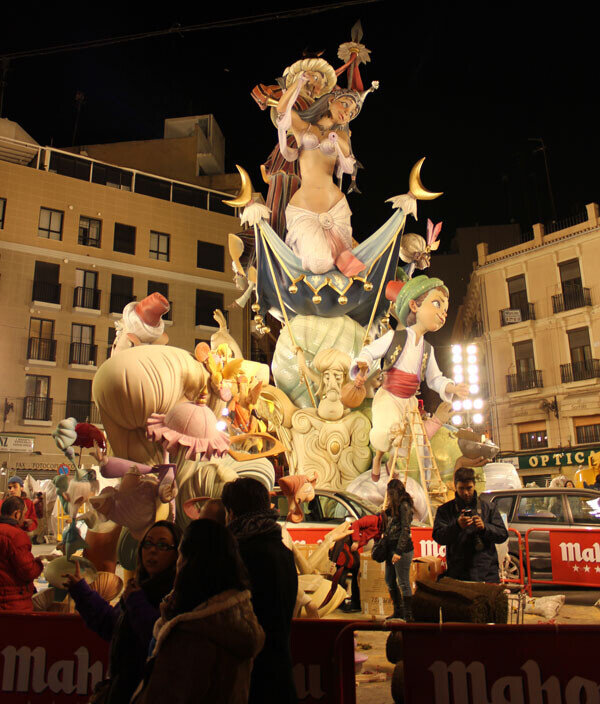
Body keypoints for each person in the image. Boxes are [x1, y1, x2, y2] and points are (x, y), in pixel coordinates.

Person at [132, 519, 264, 704]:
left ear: (189, 562)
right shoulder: (234, 618)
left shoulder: (193, 633)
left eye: (177, 554)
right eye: (148, 543)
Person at [352, 275, 469, 481]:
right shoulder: (395, 337)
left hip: (409, 401)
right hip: (390, 395)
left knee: (406, 442)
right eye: (436, 304)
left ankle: (390, 463)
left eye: (445, 310)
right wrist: (361, 366)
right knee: (387, 432)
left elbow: (435, 379)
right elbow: (370, 352)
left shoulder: (427, 349)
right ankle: (378, 459)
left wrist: (452, 388)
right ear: (414, 305)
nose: (442, 314)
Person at [63, 520, 182, 704]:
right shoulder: (135, 588)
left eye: (162, 545)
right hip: (122, 691)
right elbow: (112, 624)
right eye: (148, 543)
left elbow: (159, 639)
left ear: (177, 554)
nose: (152, 550)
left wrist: (136, 602)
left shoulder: (176, 597)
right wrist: (82, 591)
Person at [276, 72, 376, 276]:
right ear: (331, 100)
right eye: (345, 105)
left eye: (352, 112)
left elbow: (348, 160)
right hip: (305, 205)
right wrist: (300, 81)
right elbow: (282, 109)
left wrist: (335, 138)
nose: (347, 113)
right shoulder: (304, 128)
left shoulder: (342, 135)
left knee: (345, 269)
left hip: (334, 204)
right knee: (318, 264)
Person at [222, 477, 298, 704]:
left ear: (232, 513)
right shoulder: (281, 549)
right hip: (281, 673)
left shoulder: (240, 555)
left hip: (253, 679)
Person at [433, 467, 508, 583]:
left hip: (487, 574)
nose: (466, 493)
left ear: (474, 485)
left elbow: (503, 534)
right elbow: (438, 537)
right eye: (461, 489)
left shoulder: (488, 508)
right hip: (458, 574)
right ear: (455, 487)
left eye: (469, 488)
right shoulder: (445, 510)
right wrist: (457, 526)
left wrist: (485, 528)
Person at [0, 496, 44, 611]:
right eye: (23, 514)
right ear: (17, 514)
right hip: (12, 603)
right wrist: (39, 564)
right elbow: (28, 571)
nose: (24, 518)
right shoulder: (16, 535)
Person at [383, 479, 415, 620]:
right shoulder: (393, 507)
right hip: (391, 548)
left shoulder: (404, 506)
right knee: (389, 580)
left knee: (403, 582)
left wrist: (398, 552)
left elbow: (405, 530)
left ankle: (408, 615)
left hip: (402, 550)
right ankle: (398, 611)